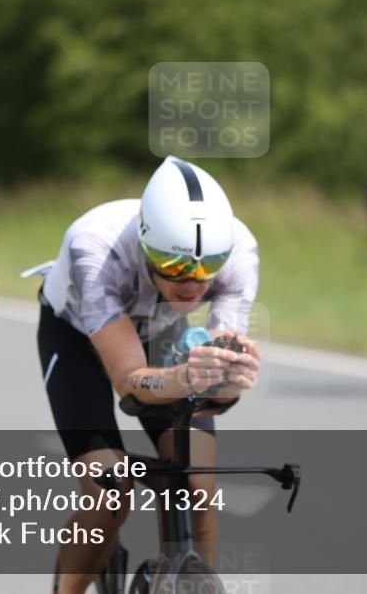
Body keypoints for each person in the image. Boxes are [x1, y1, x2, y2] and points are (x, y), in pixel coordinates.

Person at [34, 156, 260, 594]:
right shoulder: (94, 247)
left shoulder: (239, 252)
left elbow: (217, 382)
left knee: (197, 486)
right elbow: (129, 381)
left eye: (207, 267)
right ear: (144, 243)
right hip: (78, 335)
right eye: (174, 266)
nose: (193, 284)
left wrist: (231, 377)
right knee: (109, 491)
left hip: (161, 327)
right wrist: (191, 378)